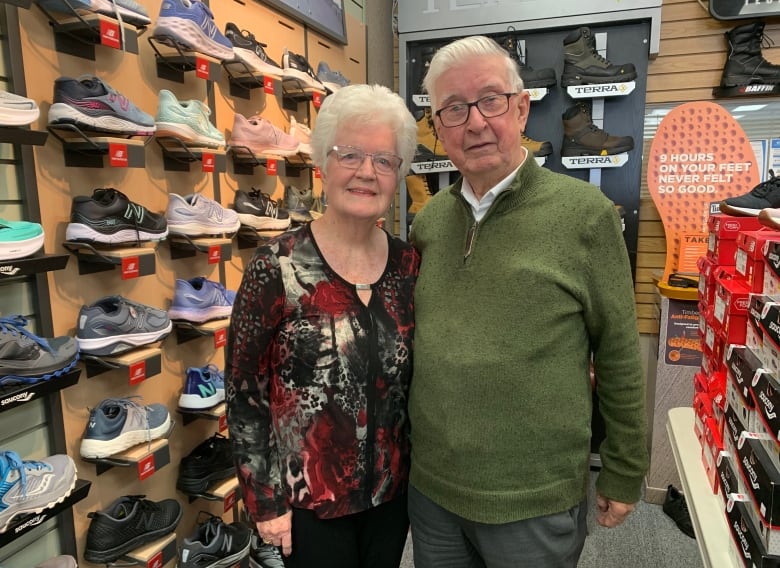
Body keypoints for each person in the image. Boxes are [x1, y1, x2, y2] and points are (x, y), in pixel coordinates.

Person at [407, 35, 649, 567]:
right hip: (433, 492)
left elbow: (618, 354)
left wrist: (624, 468)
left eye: (490, 100)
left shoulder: (585, 215)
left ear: (520, 109)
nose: (474, 122)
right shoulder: (427, 224)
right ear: (437, 127)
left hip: (532, 500)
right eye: (453, 108)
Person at [225, 83, 419, 568]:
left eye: (384, 160)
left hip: (391, 500)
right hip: (306, 504)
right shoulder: (277, 267)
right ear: (323, 165)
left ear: (398, 174)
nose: (366, 172)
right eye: (350, 154)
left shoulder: (409, 266)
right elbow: (245, 391)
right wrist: (264, 501)